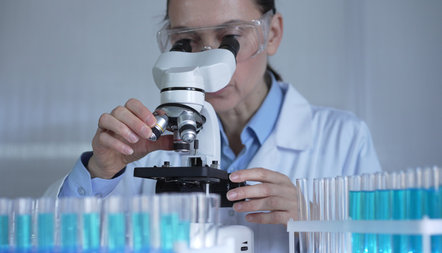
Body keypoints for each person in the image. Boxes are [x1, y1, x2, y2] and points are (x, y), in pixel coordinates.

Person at [46, 0, 381, 251]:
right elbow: (54, 239)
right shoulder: (146, 143)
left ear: (272, 33)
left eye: (229, 39)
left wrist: (316, 221)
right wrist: (100, 172)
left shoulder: (344, 139)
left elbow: (387, 244)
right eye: (187, 42)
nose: (208, 59)